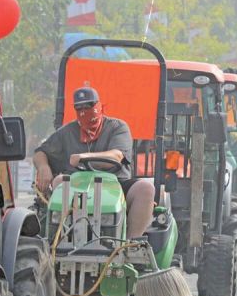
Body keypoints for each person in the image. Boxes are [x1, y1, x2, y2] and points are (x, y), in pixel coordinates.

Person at [33, 86, 155, 238]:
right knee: (60, 180)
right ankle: (61, 238)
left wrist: (84, 157)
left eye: (89, 106)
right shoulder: (67, 132)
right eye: (79, 108)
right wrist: (43, 166)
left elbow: (117, 156)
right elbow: (40, 152)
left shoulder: (118, 127)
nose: (85, 112)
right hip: (77, 185)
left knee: (146, 188)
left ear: (99, 106)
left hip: (115, 185)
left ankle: (129, 244)